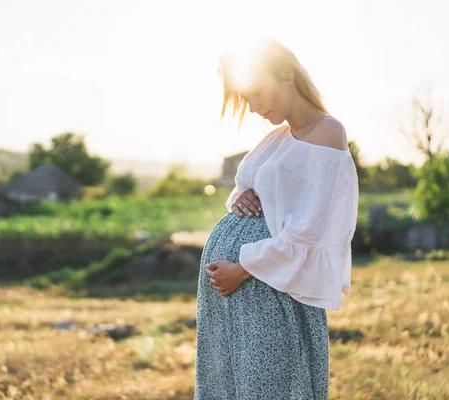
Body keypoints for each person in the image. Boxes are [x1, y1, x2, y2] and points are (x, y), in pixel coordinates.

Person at [194, 37, 359, 399]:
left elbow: (312, 231)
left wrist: (242, 268)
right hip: (240, 295)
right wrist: (240, 197)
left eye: (255, 93)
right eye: (245, 99)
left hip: (269, 290)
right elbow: (245, 189)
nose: (252, 107)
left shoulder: (329, 132)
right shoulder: (277, 138)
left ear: (286, 73)